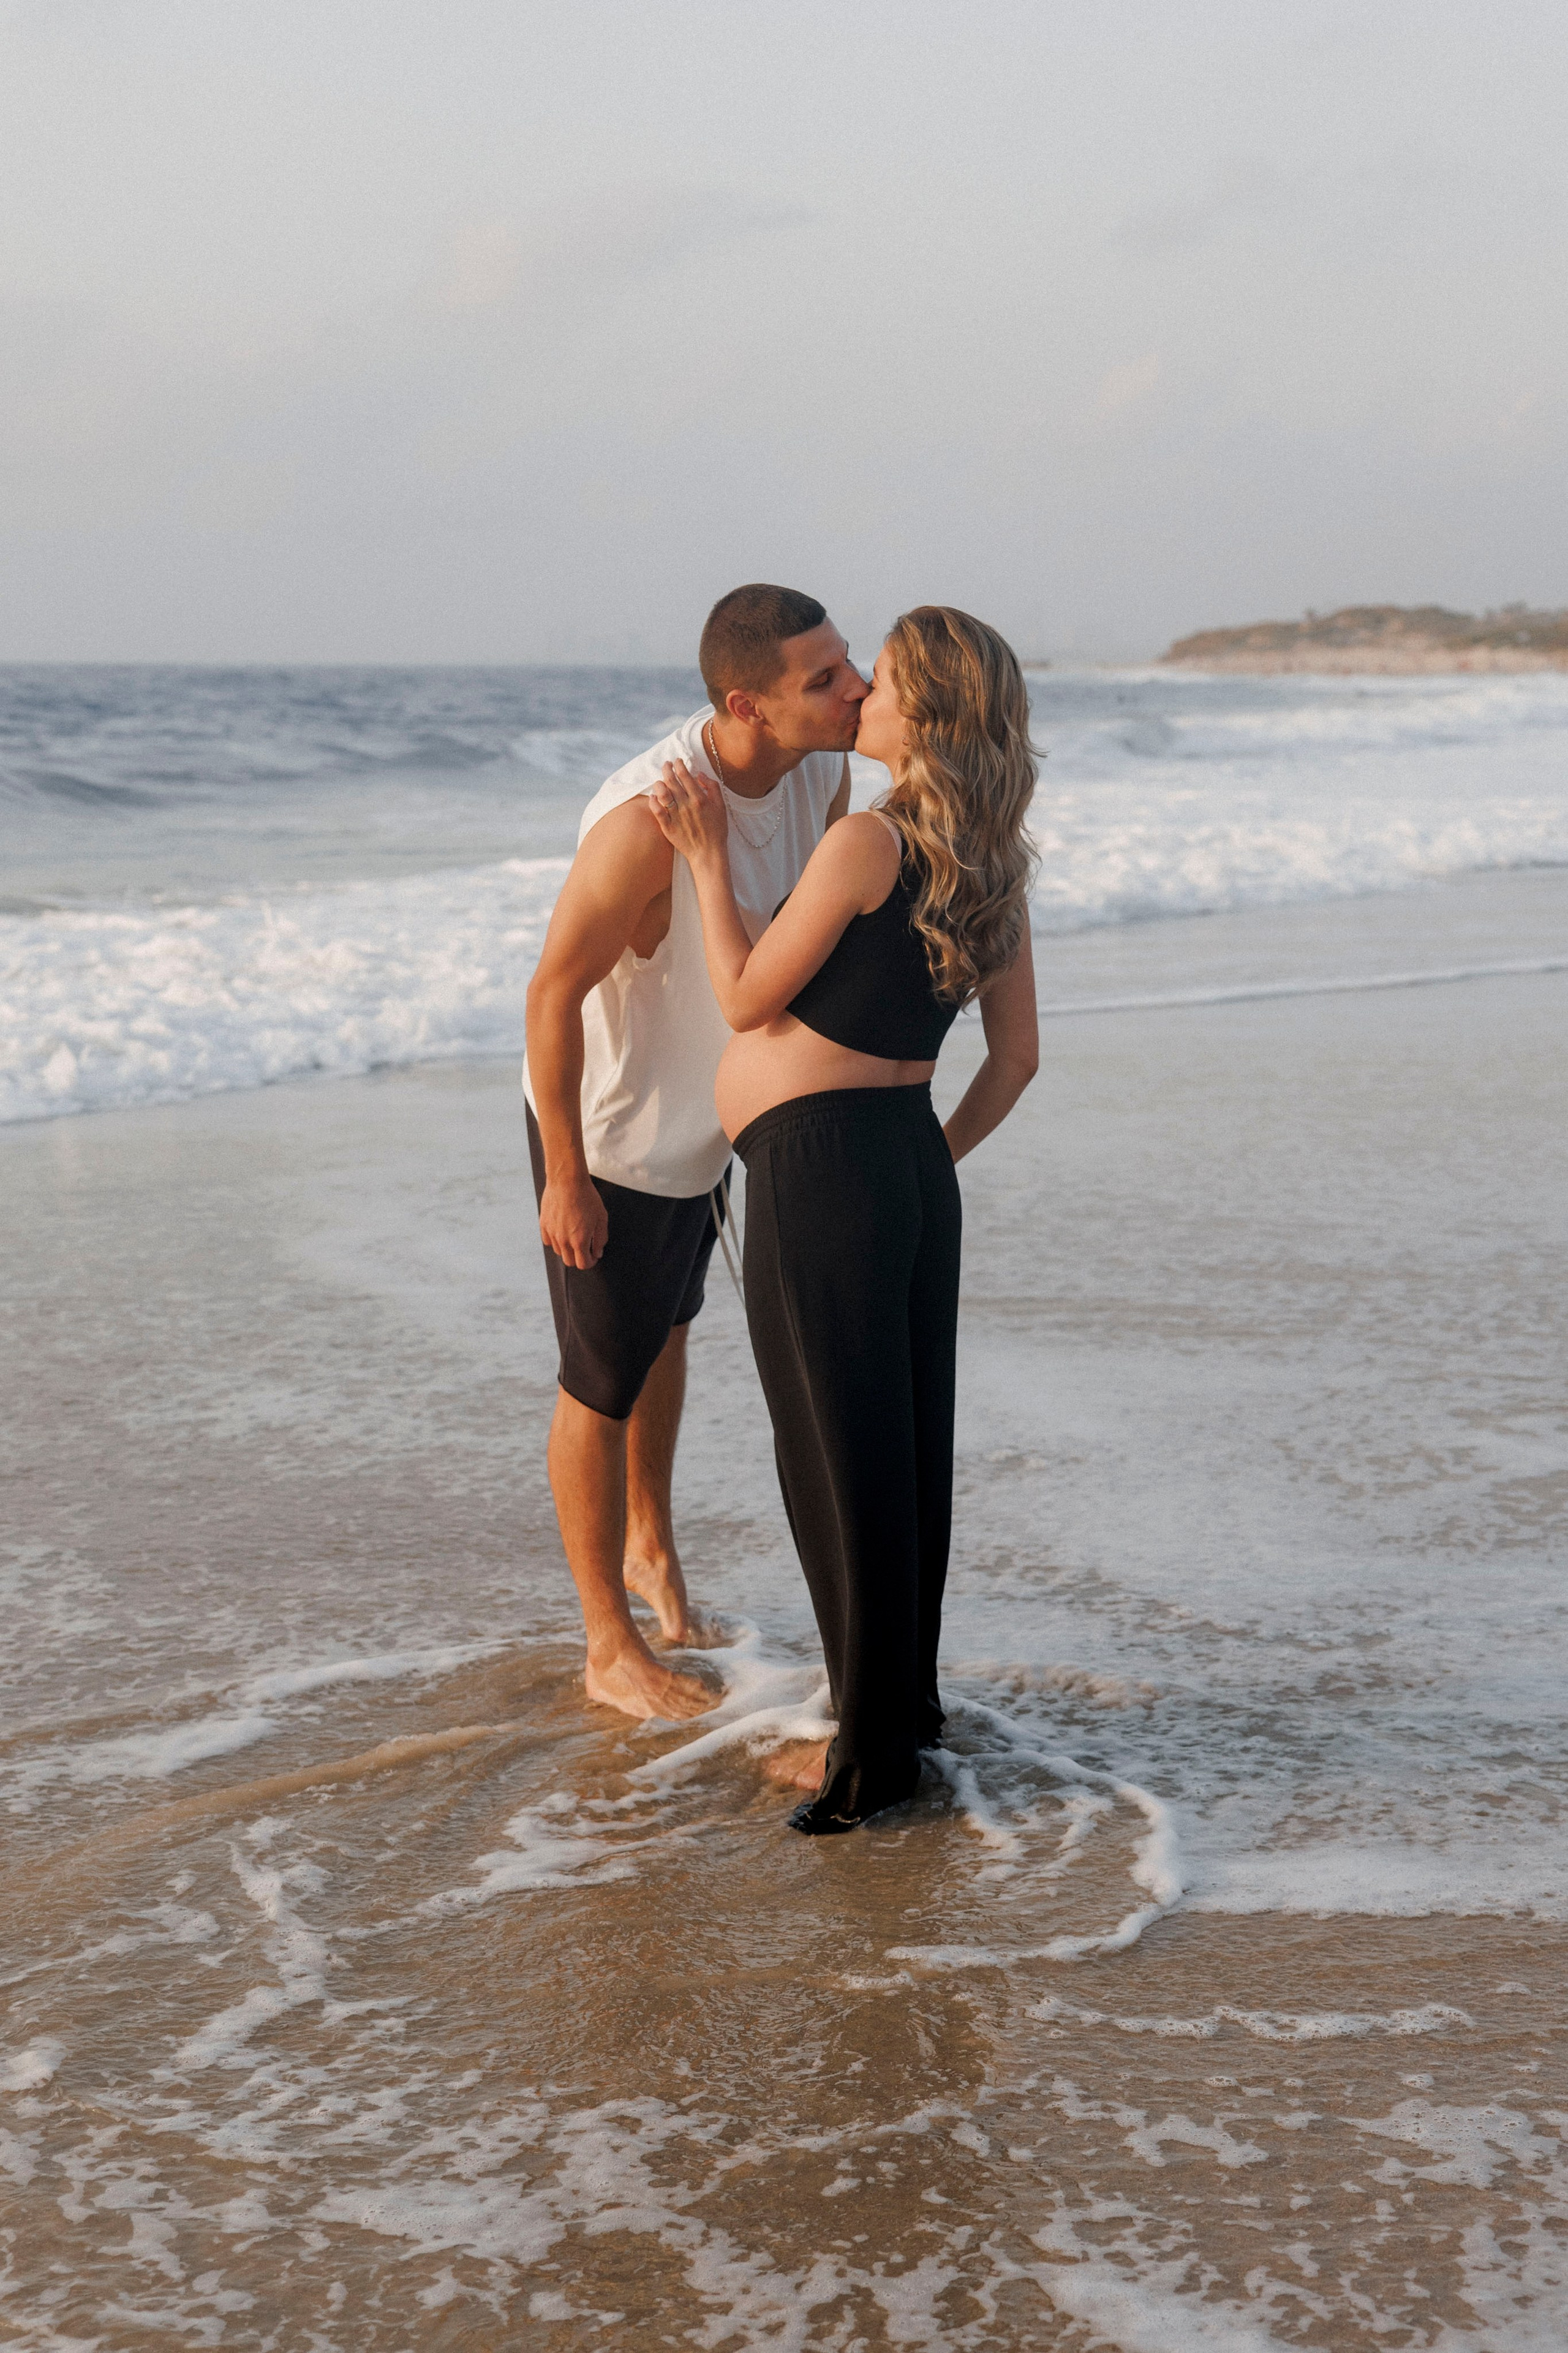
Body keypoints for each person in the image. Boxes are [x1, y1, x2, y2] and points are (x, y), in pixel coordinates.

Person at [648, 605, 1039, 1830]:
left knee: (831, 1454)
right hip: (906, 1173)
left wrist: (709, 864)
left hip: (823, 1172)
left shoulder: (869, 840)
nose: (857, 690)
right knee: (900, 1452)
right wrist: (915, 1158)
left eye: (879, 681)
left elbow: (746, 996)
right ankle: (897, 1715)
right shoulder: (990, 857)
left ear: (917, 717)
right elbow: (1014, 1061)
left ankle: (865, 1758)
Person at [522, 585, 867, 1721]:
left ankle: (650, 1550)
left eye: (847, 663)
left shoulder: (824, 776)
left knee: (670, 1331)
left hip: (704, 1122)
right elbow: (550, 995)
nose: (855, 687)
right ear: (746, 704)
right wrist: (566, 1172)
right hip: (615, 1133)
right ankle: (606, 1644)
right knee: (599, 1378)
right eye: (823, 679)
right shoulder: (645, 818)